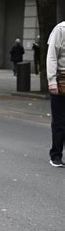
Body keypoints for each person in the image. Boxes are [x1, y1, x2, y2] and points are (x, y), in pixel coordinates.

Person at [46, 21, 65, 167]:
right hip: (62, 79)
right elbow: (52, 55)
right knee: (59, 120)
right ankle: (56, 155)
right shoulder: (61, 29)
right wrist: (52, 80)